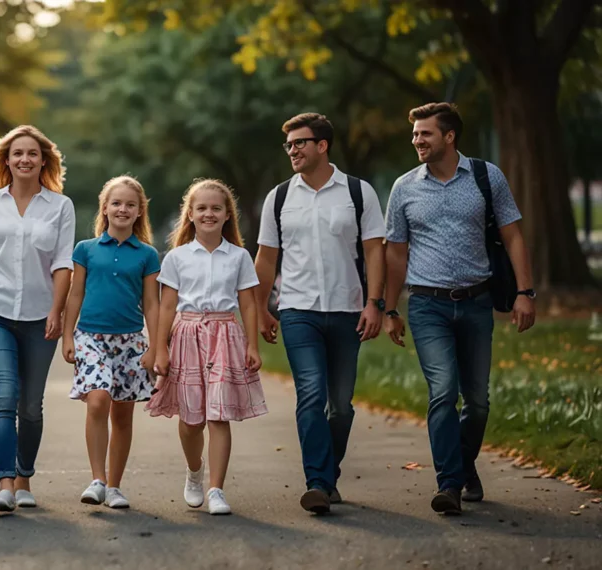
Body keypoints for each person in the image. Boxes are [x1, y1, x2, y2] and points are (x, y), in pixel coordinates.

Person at [383, 102, 536, 515]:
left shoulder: (487, 177)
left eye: (425, 133)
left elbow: (513, 235)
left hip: (476, 302)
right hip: (427, 306)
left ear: (449, 137)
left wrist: (526, 292)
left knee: (478, 401)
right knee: (443, 391)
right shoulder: (404, 187)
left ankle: (465, 466)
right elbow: (395, 252)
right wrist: (388, 308)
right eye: (415, 134)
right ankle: (449, 484)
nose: (417, 140)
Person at [253, 113, 386, 514]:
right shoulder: (278, 198)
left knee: (341, 404)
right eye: (289, 145)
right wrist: (260, 308)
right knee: (310, 395)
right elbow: (266, 257)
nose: (292, 150)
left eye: (300, 143)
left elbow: (376, 249)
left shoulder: (359, 193)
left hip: (348, 310)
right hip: (298, 310)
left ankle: (329, 476)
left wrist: (375, 303)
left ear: (322, 145)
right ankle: (317, 482)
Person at [0, 125, 76, 513]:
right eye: (17, 153)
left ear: (44, 161)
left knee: (31, 407)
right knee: (4, 396)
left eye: (32, 154)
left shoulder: (60, 206)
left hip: (40, 316)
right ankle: (5, 483)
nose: (25, 159)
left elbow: (62, 263)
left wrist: (56, 311)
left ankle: (24, 477)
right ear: (6, 160)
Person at [145, 178, 267, 516]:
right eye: (202, 208)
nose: (209, 214)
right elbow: (166, 307)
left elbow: (249, 304)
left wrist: (253, 346)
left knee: (218, 415)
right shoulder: (176, 258)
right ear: (191, 215)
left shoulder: (240, 256)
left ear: (228, 214)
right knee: (190, 420)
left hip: (225, 336)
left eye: (216, 208)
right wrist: (161, 348)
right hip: (186, 336)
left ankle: (216, 489)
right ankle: (195, 471)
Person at [62, 175, 161, 510]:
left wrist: (155, 347)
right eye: (116, 203)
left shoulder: (147, 254)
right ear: (105, 208)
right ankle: (97, 479)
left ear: (139, 212)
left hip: (131, 341)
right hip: (90, 337)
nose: (123, 209)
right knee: (98, 399)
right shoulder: (85, 250)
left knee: (123, 416)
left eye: (130, 204)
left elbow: (151, 303)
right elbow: (75, 295)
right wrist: (67, 335)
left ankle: (115, 486)